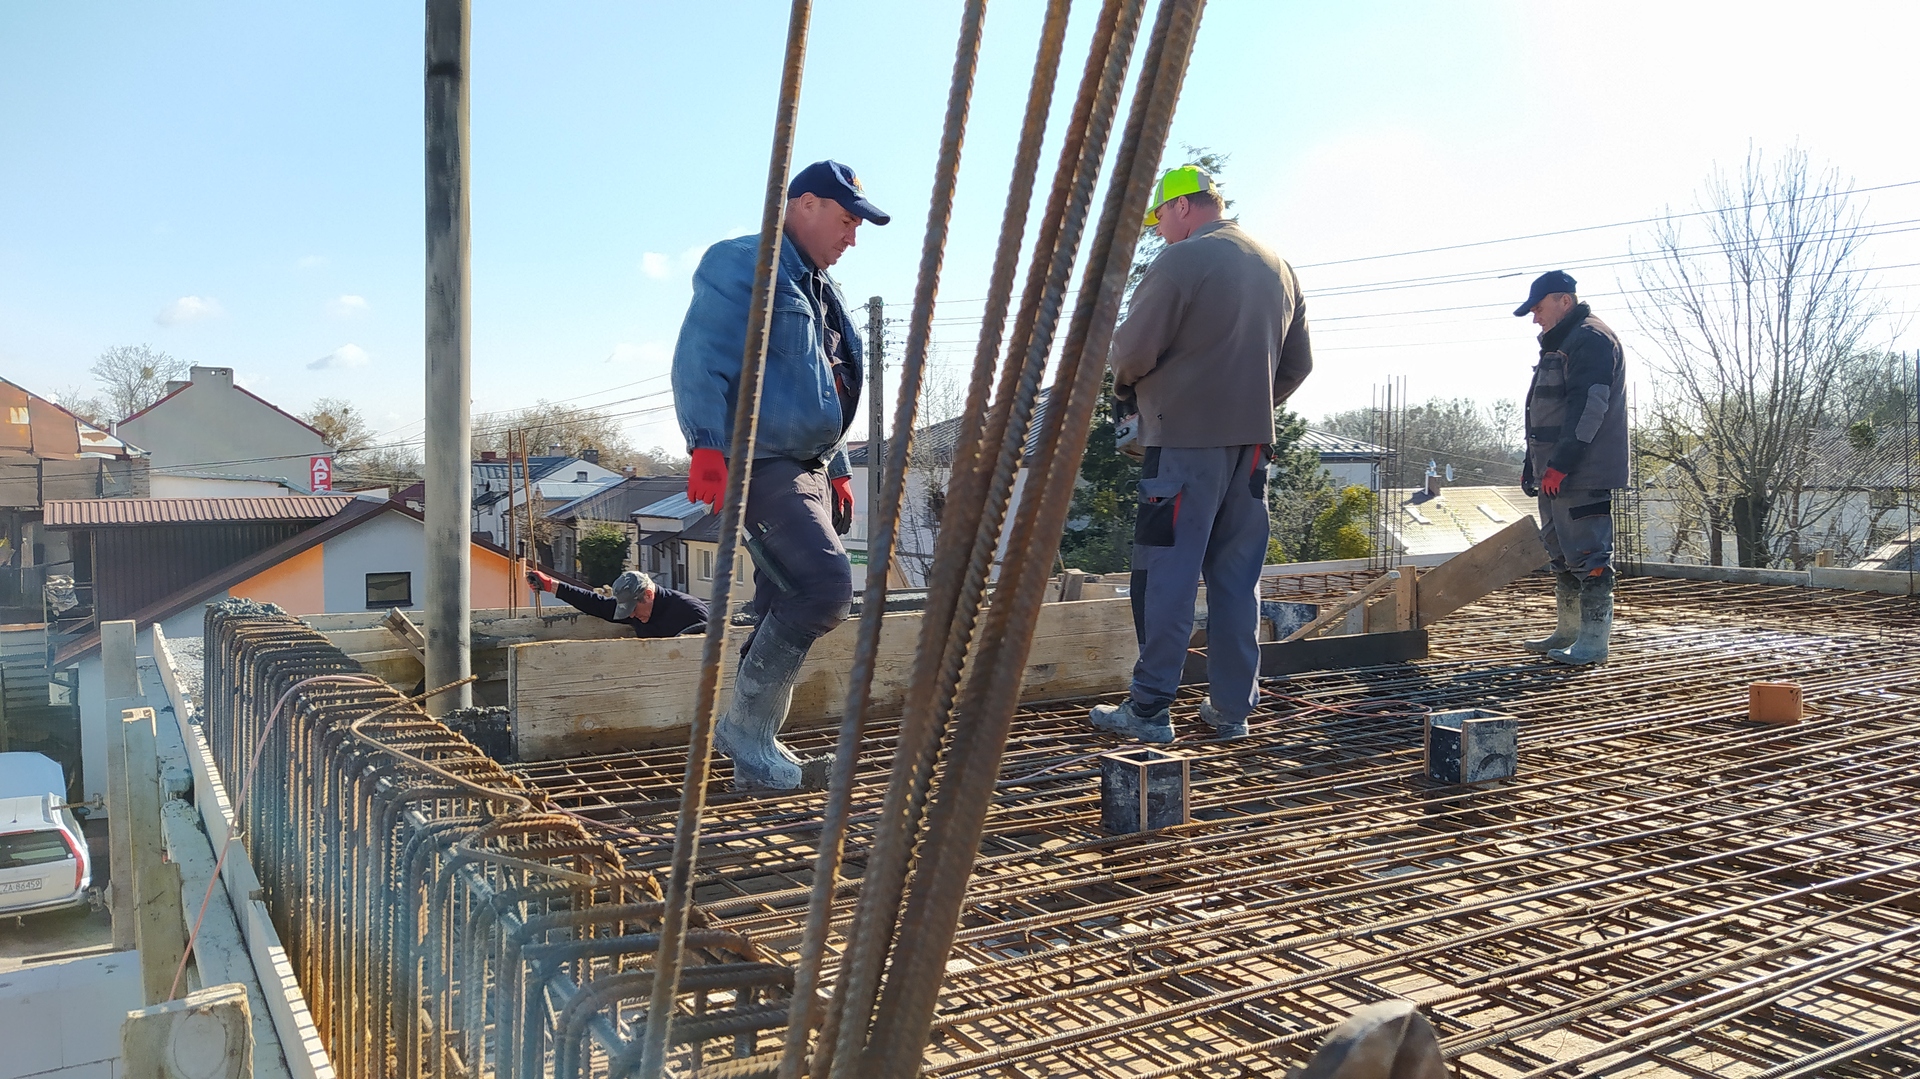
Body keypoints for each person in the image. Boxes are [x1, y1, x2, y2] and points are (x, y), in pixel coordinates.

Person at [670, 159, 888, 790]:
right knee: (823, 587)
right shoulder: (745, 264)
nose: (852, 238)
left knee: (777, 600)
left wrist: (837, 468)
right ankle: (746, 730)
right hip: (760, 462)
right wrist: (707, 446)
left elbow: (818, 386)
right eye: (846, 221)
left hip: (808, 466)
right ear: (805, 204)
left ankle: (753, 751)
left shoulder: (817, 286)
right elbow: (699, 356)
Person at [1090, 165, 1313, 744]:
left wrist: (1132, 391)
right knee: (1237, 578)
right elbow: (1298, 365)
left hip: (1180, 451)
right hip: (1252, 453)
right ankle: (1232, 710)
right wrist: (1246, 406)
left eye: (1160, 217)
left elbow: (1131, 353)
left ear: (1183, 206)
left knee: (1165, 574)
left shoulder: (1182, 261)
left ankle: (1149, 709)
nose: (1159, 229)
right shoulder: (1278, 267)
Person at [1514, 269, 1627, 665]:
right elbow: (1545, 413)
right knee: (1561, 552)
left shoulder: (1591, 338)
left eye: (1538, 308)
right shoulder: (1564, 342)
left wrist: (1561, 464)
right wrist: (1534, 464)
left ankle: (1592, 643)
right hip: (1554, 473)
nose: (1535, 318)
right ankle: (1568, 632)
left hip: (1582, 472)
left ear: (1565, 301)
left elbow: (1588, 406)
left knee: (1589, 554)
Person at [526, 568, 707, 638]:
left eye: (633, 608)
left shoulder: (691, 612)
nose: (631, 615)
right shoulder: (638, 612)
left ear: (648, 595)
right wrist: (550, 586)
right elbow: (595, 604)